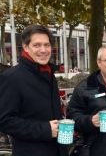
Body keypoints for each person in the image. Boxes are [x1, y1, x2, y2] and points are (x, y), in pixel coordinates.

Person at [0, 25, 68, 156]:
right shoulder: (12, 77)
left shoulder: (49, 73)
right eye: (37, 45)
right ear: (25, 47)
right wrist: (45, 129)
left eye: (47, 45)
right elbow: (4, 121)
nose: (43, 50)